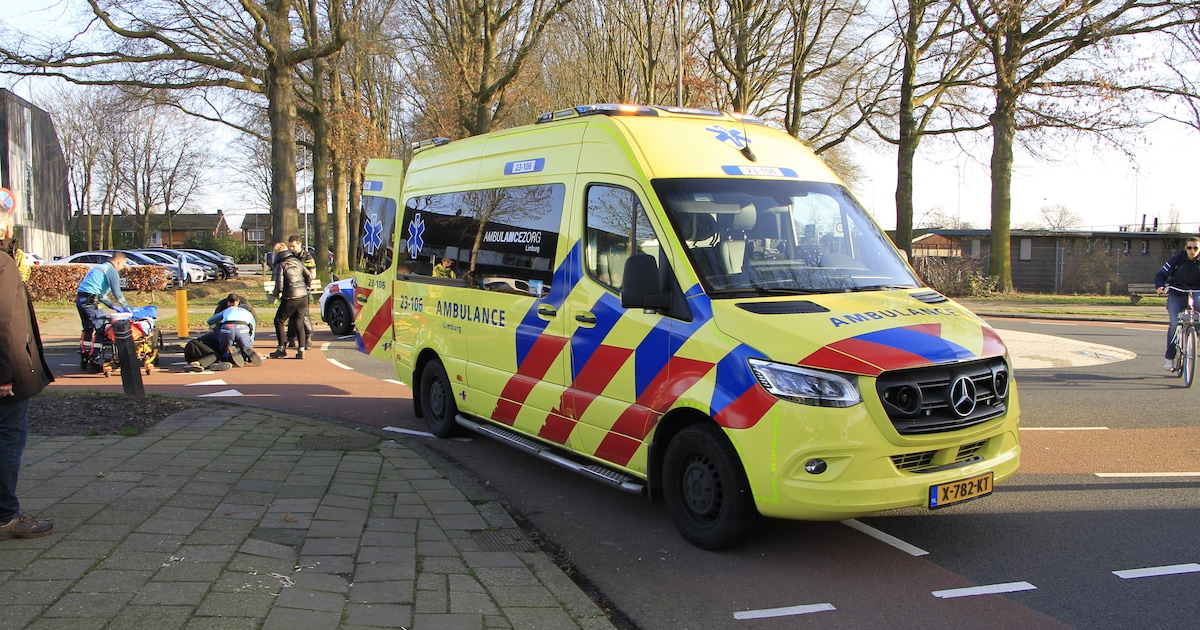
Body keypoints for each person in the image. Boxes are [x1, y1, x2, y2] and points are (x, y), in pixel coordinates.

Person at [0, 200, 55, 539]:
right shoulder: (3, 264)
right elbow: (4, 322)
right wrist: (4, 374)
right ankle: (6, 516)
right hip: (7, 375)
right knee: (8, 438)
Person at [1154, 236, 1200, 370]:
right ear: (1185, 248)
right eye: (1189, 248)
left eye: (1195, 248)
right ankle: (1170, 358)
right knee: (1174, 324)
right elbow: (1161, 274)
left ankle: (1195, 340)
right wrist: (1160, 286)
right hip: (1177, 291)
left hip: (1197, 291)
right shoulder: (1177, 260)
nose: (1192, 251)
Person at [76, 252, 129, 347]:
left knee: (88, 327)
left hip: (80, 299)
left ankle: (84, 351)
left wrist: (112, 306)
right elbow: (117, 292)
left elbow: (101, 295)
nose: (122, 267)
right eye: (123, 265)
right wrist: (125, 307)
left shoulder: (98, 267)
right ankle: (95, 353)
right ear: (118, 262)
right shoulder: (111, 271)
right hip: (91, 302)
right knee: (100, 328)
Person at [269, 242, 312, 359]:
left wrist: (275, 295)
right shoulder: (296, 261)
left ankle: (281, 348)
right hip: (303, 296)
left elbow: (279, 286)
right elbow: (309, 276)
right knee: (299, 323)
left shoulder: (281, 264)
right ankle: (301, 350)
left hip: (291, 296)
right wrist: (305, 287)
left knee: (279, 321)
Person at [207, 294, 260, 367]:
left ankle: (227, 355)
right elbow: (253, 328)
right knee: (246, 347)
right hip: (243, 328)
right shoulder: (248, 312)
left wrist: (217, 331)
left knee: (225, 349)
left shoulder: (227, 309)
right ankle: (246, 355)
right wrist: (251, 342)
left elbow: (210, 321)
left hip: (227, 328)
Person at [285, 235, 314, 350]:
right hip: (292, 289)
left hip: (303, 289)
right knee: (292, 313)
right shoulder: (290, 256)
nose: (291, 248)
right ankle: (291, 338)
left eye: (293, 246)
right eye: (290, 246)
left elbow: (312, 273)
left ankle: (308, 337)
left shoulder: (307, 256)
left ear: (299, 244)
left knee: (304, 314)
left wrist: (305, 282)